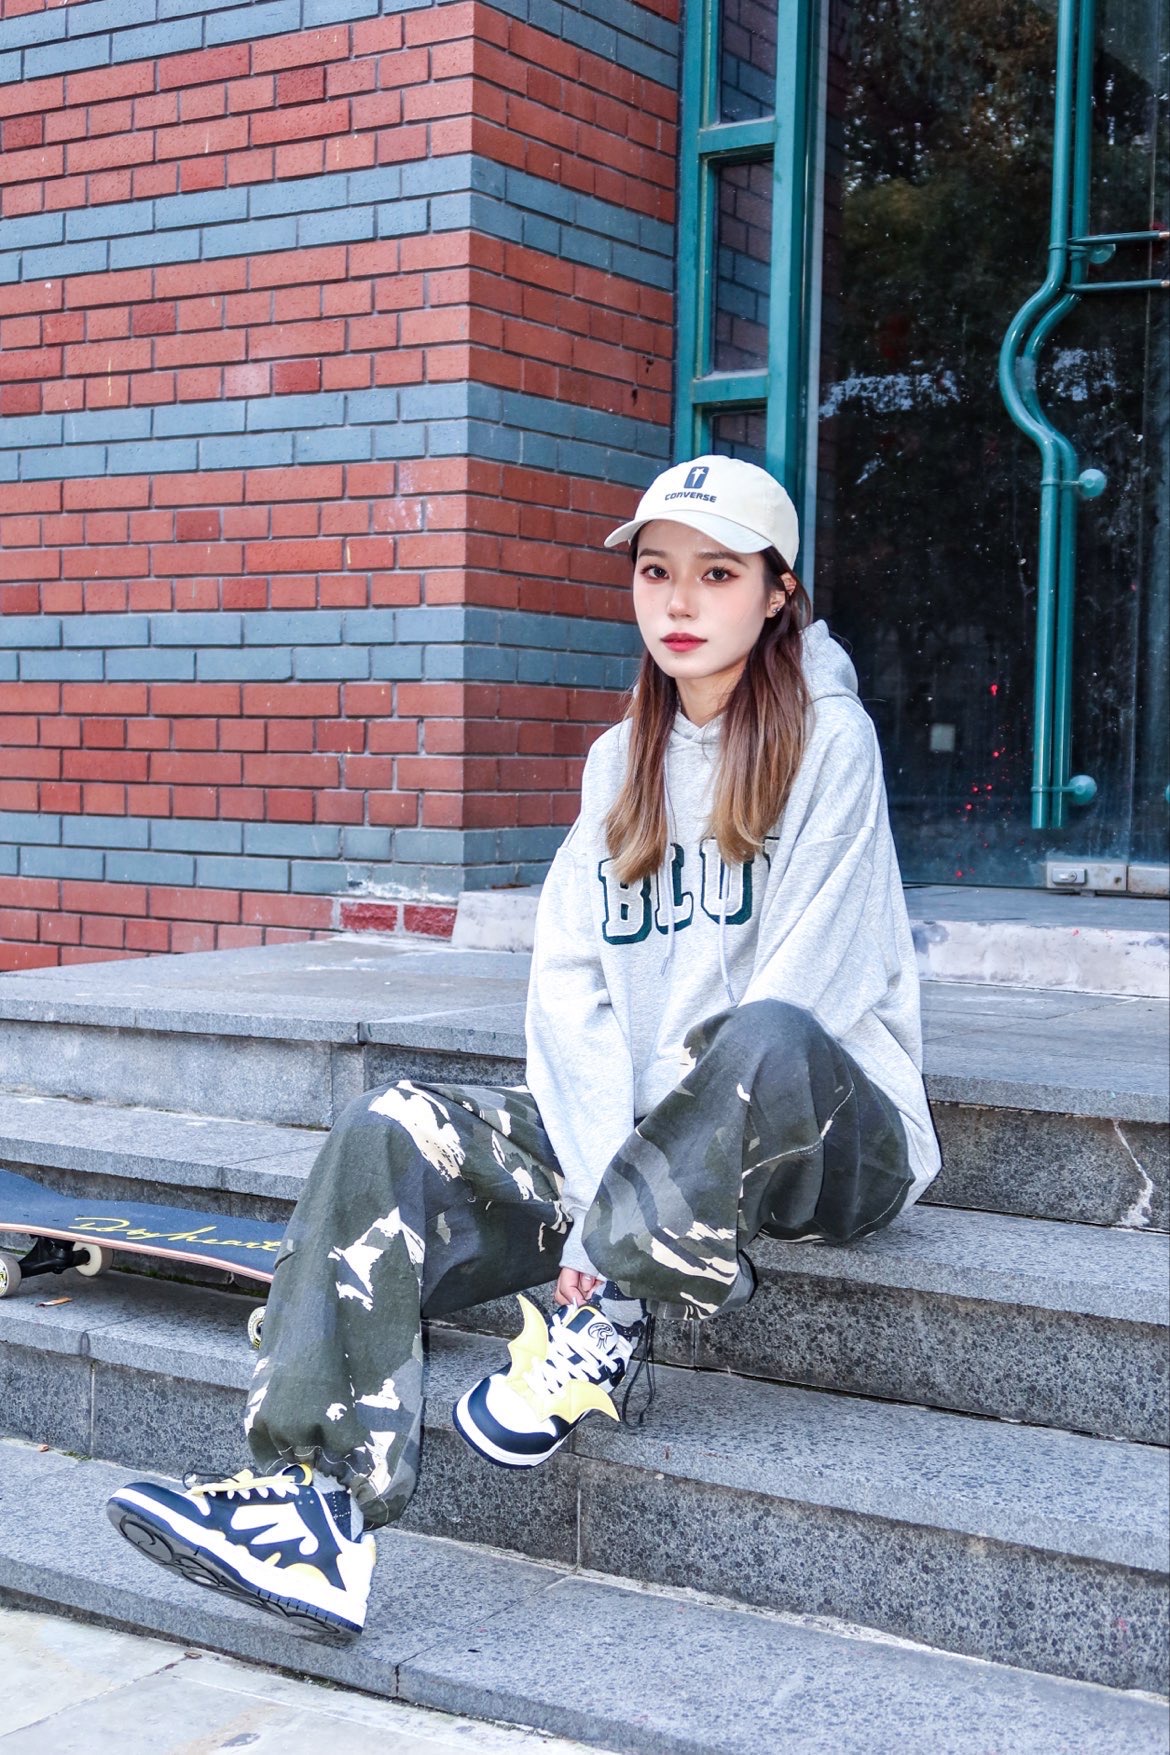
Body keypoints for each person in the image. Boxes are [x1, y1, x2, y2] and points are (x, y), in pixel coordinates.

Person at [107, 454, 941, 1640]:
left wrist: (619, 1223)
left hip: (831, 1137)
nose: (680, 602)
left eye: (717, 574)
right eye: (656, 572)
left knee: (766, 1032)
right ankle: (307, 1510)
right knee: (391, 1127)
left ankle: (609, 1314)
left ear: (777, 594)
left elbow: (819, 980)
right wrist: (610, 1184)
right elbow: (568, 990)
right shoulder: (618, 764)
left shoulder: (831, 743)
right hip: (639, 1162)